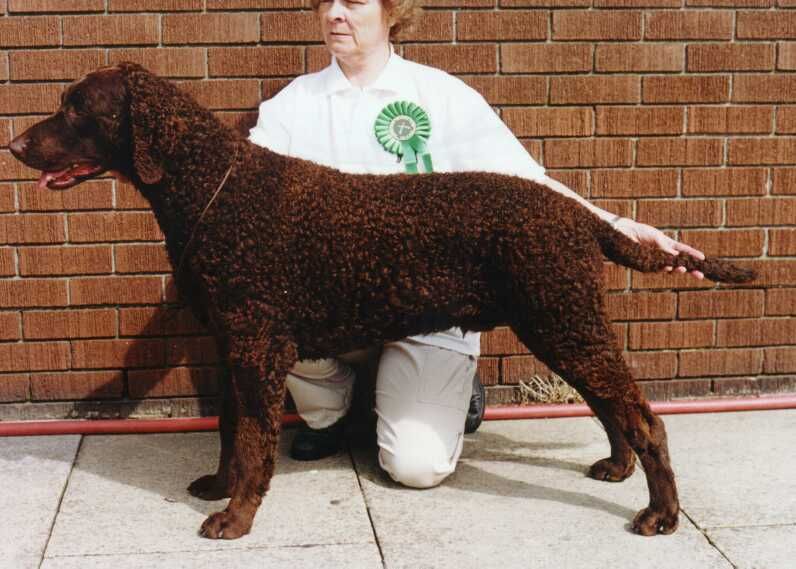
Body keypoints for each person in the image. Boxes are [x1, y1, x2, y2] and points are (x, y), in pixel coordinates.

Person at [247, 0, 705, 489]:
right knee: (264, 320)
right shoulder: (293, 104)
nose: (336, 13)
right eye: (326, 0)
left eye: (354, 2)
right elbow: (246, 195)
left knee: (415, 468)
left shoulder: (441, 95)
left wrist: (614, 225)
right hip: (335, 309)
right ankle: (328, 415)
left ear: (391, 12)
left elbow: (526, 182)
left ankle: (446, 384)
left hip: (429, 314)